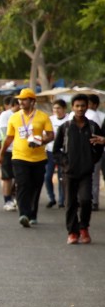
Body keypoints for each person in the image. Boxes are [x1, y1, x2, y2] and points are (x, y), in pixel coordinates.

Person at [0, 88, 54, 228]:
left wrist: (41, 141)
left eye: (24, 99)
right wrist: (1, 153)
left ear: (32, 101)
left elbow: (51, 135)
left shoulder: (42, 116)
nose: (21, 102)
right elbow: (9, 137)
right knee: (22, 184)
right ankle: (24, 214)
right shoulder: (14, 117)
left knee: (35, 186)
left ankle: (33, 214)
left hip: (39, 158)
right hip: (19, 157)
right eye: (19, 99)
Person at [54, 94, 105, 244]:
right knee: (70, 203)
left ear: (87, 107)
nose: (80, 109)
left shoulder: (93, 126)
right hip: (69, 172)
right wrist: (65, 162)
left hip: (86, 172)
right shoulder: (65, 128)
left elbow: (100, 146)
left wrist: (91, 161)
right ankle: (72, 232)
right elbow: (56, 149)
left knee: (85, 200)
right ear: (72, 107)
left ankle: (84, 228)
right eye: (77, 106)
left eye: (83, 106)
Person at [44, 100, 69, 208]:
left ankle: (61, 200)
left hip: (64, 152)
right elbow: (45, 135)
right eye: (54, 108)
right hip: (50, 151)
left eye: (59, 108)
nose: (56, 111)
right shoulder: (50, 120)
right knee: (47, 176)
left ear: (64, 109)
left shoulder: (69, 120)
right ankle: (51, 198)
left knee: (61, 176)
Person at [0, 97, 19, 210]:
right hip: (9, 150)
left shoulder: (26, 115)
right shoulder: (5, 115)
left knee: (20, 177)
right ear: (14, 104)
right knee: (7, 177)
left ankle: (16, 196)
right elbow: (4, 134)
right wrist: (0, 152)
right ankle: (7, 200)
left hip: (22, 151)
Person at [85, 94, 103, 210]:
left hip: (97, 149)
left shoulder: (99, 116)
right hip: (83, 151)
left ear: (95, 105)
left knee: (94, 176)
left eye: (89, 103)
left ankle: (94, 201)